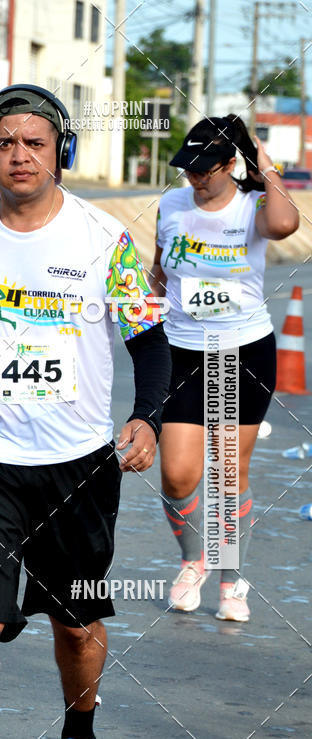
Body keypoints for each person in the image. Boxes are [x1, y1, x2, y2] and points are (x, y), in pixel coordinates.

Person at [0, 84, 171, 739]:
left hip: (76, 463)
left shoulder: (104, 239)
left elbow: (150, 342)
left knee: (76, 619)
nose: (20, 154)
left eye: (35, 141)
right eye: (5, 142)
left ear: (60, 149)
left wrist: (146, 416)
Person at [151, 114, 299, 622]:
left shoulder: (254, 205)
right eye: (187, 168)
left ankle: (232, 581)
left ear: (230, 164)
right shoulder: (170, 205)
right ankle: (194, 559)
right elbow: (159, 271)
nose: (194, 177)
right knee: (176, 475)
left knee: (228, 472)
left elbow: (285, 225)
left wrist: (267, 168)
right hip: (181, 351)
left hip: (243, 351)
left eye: (204, 169)